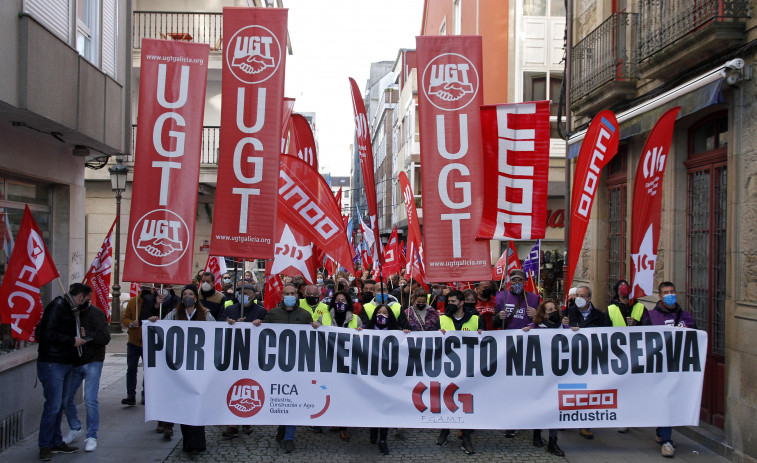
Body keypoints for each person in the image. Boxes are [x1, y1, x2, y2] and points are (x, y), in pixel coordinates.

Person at [253, 283, 320, 453]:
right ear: (282, 296)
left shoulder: (305, 315)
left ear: (297, 296)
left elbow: (311, 338)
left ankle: (289, 436)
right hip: (276, 365)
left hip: (296, 365)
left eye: (293, 293)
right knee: (279, 397)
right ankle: (282, 427)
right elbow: (262, 335)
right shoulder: (273, 314)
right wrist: (256, 325)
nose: (290, 296)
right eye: (286, 293)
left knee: (294, 399)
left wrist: (317, 329)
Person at [36, 283, 92, 460]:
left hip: (65, 361)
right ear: (80, 296)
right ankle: (44, 445)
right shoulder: (59, 306)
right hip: (53, 362)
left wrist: (78, 335)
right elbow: (44, 334)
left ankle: (55, 441)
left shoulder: (71, 308)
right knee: (53, 406)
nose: (87, 302)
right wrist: (71, 340)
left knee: (59, 405)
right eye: (87, 299)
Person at [641, 281, 697, 458]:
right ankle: (663, 436)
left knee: (668, 401)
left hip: (677, 368)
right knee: (662, 400)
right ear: (660, 296)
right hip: (658, 368)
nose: (670, 295)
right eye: (666, 292)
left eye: (672, 291)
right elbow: (643, 339)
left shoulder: (686, 317)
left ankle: (665, 438)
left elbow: (695, 340)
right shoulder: (651, 316)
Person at [164, 284, 215, 454]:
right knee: (184, 406)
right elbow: (163, 329)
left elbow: (215, 332)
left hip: (199, 368)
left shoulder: (205, 314)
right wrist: (154, 323)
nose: (187, 296)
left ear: (195, 297)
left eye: (190, 294)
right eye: (184, 294)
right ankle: (187, 441)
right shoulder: (174, 314)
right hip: (180, 368)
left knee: (196, 405)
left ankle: (197, 444)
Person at [437, 290, 484, 454]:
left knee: (467, 404)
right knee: (445, 399)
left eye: (454, 301)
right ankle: (444, 429)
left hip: (469, 369)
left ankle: (466, 438)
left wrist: (481, 335)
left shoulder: (476, 319)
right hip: (446, 368)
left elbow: (486, 343)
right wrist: (436, 335)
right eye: (448, 301)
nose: (450, 303)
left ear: (462, 302)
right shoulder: (441, 319)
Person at [61, 295, 110, 452]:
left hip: (92, 361)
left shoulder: (96, 313)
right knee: (66, 398)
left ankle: (92, 435)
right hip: (75, 362)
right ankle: (75, 427)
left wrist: (87, 335)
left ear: (83, 298)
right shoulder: (69, 312)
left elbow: (105, 337)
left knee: (90, 400)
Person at [361, 303, 408, 455]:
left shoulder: (396, 332)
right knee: (373, 404)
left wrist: (406, 333)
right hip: (372, 374)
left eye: (385, 313)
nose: (382, 315)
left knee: (385, 407)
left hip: (389, 376)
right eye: (379, 312)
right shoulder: (367, 330)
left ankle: (383, 439)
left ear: (390, 316)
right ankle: (373, 430)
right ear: (375, 314)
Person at [522, 299, 567, 457]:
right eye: (549, 310)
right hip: (540, 373)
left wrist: (576, 330)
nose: (552, 311)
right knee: (540, 404)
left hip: (557, 374)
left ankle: (553, 442)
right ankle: (536, 433)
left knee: (555, 407)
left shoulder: (563, 326)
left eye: (554, 309)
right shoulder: (536, 327)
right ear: (543, 313)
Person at [220, 283, 266, 439]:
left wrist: (258, 326)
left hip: (252, 355)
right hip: (233, 354)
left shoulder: (261, 311)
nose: (242, 296)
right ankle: (232, 423)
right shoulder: (230, 310)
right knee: (233, 388)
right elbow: (217, 327)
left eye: (245, 293)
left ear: (253, 295)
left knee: (249, 387)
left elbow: (269, 332)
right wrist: (229, 324)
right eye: (239, 293)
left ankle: (247, 419)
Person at [566, 284, 608, 439]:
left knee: (587, 393)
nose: (579, 299)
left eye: (582, 296)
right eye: (577, 295)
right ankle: (566, 419)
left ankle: (585, 424)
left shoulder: (600, 316)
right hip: (571, 359)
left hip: (590, 360)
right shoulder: (568, 312)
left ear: (589, 298)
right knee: (569, 391)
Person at [607, 279, 647, 433]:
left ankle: (635, 415)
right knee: (621, 387)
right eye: (621, 288)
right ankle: (623, 417)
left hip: (637, 353)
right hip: (618, 354)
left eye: (626, 288)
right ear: (617, 291)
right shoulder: (611, 309)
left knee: (635, 387)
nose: (624, 291)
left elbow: (650, 328)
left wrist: (637, 324)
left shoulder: (640, 307)